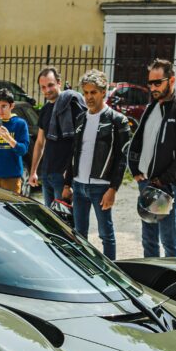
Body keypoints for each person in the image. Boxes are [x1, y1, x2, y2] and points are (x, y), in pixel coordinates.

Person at [127, 58, 176, 258]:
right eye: (150, 83)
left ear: (171, 80)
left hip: (166, 185)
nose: (153, 87)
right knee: (148, 237)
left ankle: (172, 282)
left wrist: (165, 179)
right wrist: (135, 170)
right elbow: (139, 140)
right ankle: (151, 279)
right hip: (146, 181)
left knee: (168, 239)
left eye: (158, 82)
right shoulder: (151, 108)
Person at [62, 69, 131, 260]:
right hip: (78, 184)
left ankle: (112, 271)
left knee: (106, 235)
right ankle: (82, 268)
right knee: (78, 233)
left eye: (93, 92)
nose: (89, 97)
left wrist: (113, 189)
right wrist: (67, 184)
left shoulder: (118, 121)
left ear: (103, 92)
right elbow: (73, 153)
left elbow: (121, 158)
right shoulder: (80, 118)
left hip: (101, 188)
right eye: (85, 93)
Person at [29, 67, 85, 206]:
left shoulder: (72, 104)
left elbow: (81, 142)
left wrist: (70, 178)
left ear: (59, 83)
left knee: (66, 221)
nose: (47, 90)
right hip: (47, 174)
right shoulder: (45, 110)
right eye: (43, 87)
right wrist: (33, 171)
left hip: (64, 175)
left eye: (50, 85)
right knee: (51, 221)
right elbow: (40, 142)